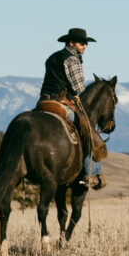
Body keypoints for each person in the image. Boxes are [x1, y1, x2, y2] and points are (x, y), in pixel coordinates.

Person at [39, 27, 105, 190]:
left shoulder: (52, 57)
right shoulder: (72, 59)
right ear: (71, 43)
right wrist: (76, 93)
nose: (84, 46)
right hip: (62, 104)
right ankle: (91, 174)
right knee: (89, 131)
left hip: (43, 102)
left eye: (85, 43)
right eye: (82, 43)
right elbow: (77, 87)